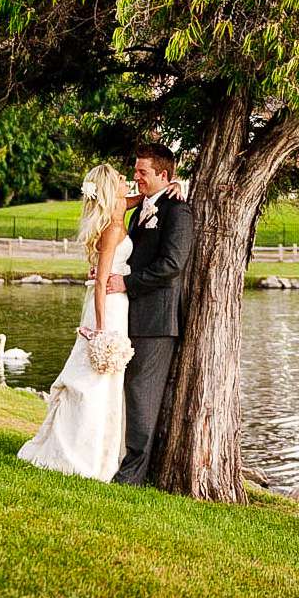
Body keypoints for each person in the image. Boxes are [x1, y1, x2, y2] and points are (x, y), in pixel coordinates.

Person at [16, 163, 133, 481]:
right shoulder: (110, 229)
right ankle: (83, 454)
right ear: (111, 190)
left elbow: (138, 199)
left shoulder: (118, 211)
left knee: (108, 381)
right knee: (95, 380)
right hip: (106, 309)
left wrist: (174, 185)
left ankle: (105, 452)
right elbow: (100, 283)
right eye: (122, 180)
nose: (128, 182)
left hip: (115, 306)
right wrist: (100, 329)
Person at [106, 143, 194, 486]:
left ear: (163, 175)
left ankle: (132, 477)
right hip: (130, 315)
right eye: (136, 171)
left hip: (157, 322)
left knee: (142, 396)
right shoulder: (141, 208)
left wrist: (126, 283)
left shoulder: (177, 212)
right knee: (127, 391)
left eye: (142, 172)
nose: (136, 177)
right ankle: (118, 461)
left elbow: (172, 265)